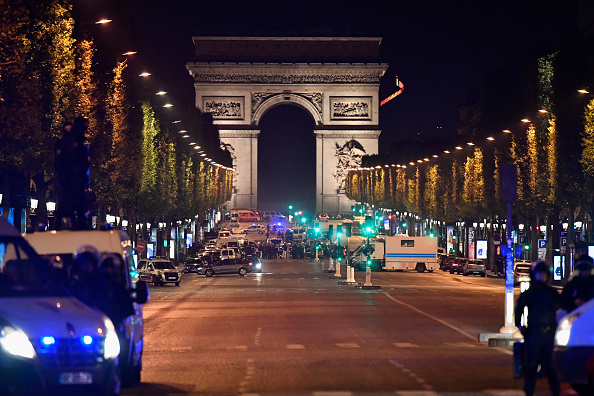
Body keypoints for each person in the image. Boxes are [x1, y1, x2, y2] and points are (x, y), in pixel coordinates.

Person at [514, 260, 561, 396]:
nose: (542, 276)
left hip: (549, 334)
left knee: (551, 366)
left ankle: (556, 392)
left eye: (543, 274)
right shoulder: (530, 293)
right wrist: (520, 326)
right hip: (533, 333)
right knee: (531, 366)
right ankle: (529, 392)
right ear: (534, 275)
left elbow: (562, 309)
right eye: (539, 274)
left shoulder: (552, 293)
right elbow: (519, 310)